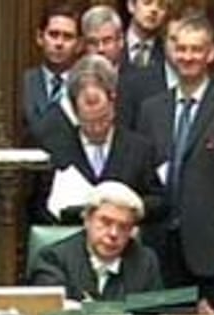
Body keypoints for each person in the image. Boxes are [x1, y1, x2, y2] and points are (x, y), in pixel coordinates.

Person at [136, 12, 214, 315]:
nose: (187, 57)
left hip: (212, 248)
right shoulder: (151, 109)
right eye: (181, 49)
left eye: (196, 49)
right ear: (171, 52)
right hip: (160, 243)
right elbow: (143, 174)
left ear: (210, 54)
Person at [32, 54, 164, 227]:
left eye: (103, 119)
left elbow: (159, 202)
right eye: (88, 122)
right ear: (75, 112)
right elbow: (39, 206)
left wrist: (129, 205)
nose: (96, 128)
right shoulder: (56, 150)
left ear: (113, 103)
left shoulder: (139, 149)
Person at [30, 181, 162, 301]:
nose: (113, 233)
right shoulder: (53, 259)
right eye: (106, 222)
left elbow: (153, 314)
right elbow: (47, 312)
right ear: (87, 220)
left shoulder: (145, 262)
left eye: (123, 227)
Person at [21, 3, 80, 136]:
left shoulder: (84, 85)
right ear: (40, 37)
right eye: (53, 35)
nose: (59, 43)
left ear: (79, 45)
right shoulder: (23, 83)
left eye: (68, 37)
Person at [124, 0, 170, 70]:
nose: (154, 9)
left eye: (161, 6)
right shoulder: (113, 44)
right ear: (131, 6)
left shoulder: (169, 54)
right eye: (147, 3)